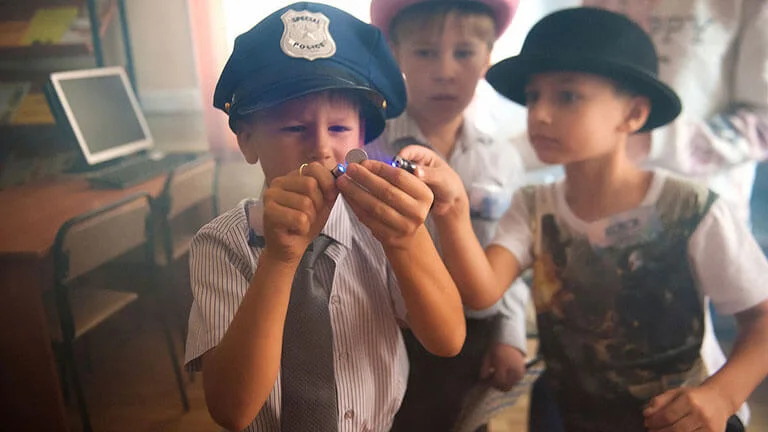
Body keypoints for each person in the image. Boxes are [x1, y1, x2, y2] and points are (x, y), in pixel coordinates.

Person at [401, 7, 768, 432]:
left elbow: (761, 319)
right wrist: (453, 210)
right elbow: (482, 291)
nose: (539, 114)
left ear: (633, 114)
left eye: (568, 96)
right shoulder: (533, 206)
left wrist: (722, 394)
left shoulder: (691, 209)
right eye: (533, 96)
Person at [184, 3, 467, 431]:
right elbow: (231, 411)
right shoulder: (222, 243)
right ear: (247, 140)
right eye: (294, 129)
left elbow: (447, 340)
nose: (320, 148)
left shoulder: (383, 226)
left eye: (338, 129)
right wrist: (279, 259)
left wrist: (407, 240)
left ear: (362, 137)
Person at [368, 1, 531, 430]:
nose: (445, 71)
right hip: (387, 331)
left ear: (487, 58)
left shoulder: (502, 159)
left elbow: (509, 255)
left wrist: (510, 335)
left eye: (464, 53)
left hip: (475, 336)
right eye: (425, 52)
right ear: (397, 54)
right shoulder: (368, 145)